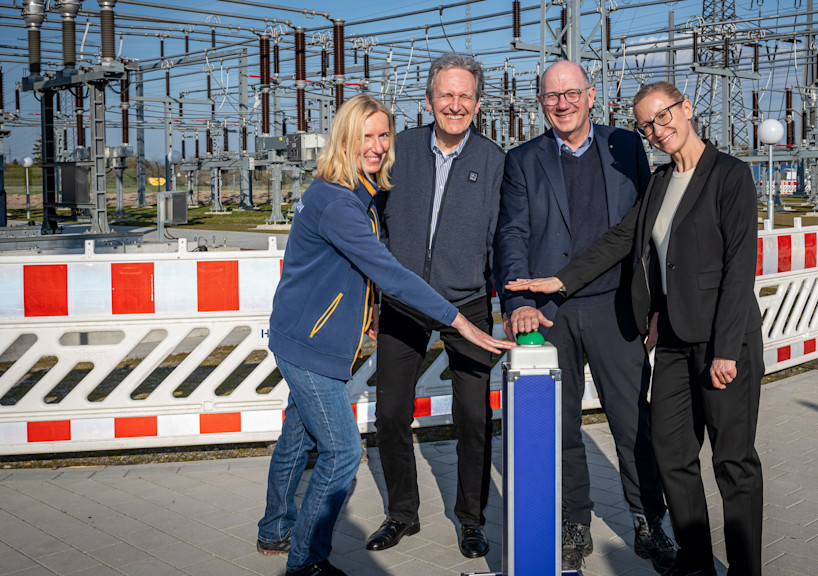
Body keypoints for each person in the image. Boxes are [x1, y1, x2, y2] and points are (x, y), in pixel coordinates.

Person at [505, 81, 765, 576]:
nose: (657, 130)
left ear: (687, 108)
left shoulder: (730, 176)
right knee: (671, 455)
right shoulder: (661, 183)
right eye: (646, 125)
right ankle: (694, 565)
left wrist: (727, 350)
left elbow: (739, 269)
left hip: (721, 341)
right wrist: (557, 282)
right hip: (670, 344)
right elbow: (619, 240)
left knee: (733, 463)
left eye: (664, 116)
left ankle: (745, 569)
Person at [255, 94, 512, 576]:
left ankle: (274, 529)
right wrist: (457, 322)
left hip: (303, 336)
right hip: (311, 345)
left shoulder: (353, 192)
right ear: (344, 140)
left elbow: (351, 273)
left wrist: (369, 307)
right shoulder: (338, 201)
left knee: (297, 435)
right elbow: (388, 271)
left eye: (382, 136)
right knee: (342, 451)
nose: (375, 146)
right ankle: (305, 562)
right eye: (364, 137)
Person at [493, 60, 675, 573]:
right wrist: (517, 302)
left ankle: (647, 519)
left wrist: (656, 303)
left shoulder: (625, 146)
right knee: (560, 426)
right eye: (552, 96)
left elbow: (649, 230)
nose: (562, 104)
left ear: (591, 96)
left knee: (632, 423)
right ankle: (575, 521)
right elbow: (512, 234)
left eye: (571, 93)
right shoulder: (523, 159)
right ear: (540, 102)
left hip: (618, 307)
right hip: (551, 316)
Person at [367, 53, 505, 558]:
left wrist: (506, 297)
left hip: (467, 301)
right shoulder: (397, 151)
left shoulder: (494, 161)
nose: (455, 104)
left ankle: (471, 518)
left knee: (473, 415)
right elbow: (368, 217)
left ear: (478, 103)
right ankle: (402, 514)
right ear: (428, 101)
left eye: (465, 96)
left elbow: (504, 237)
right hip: (404, 300)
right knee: (390, 412)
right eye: (446, 95)